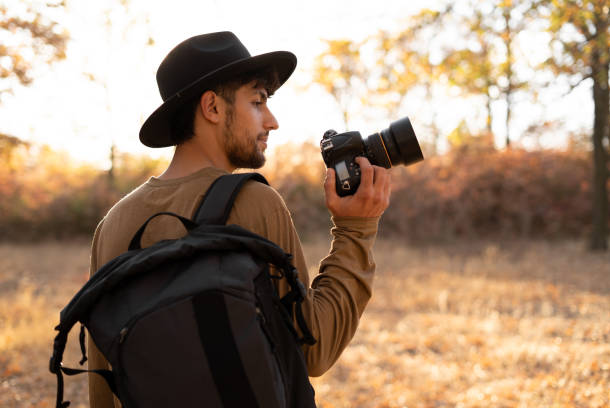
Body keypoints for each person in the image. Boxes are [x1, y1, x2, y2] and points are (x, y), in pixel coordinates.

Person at [87, 31, 391, 407]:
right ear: (213, 108)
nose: (273, 120)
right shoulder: (254, 202)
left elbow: (103, 380)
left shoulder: (113, 224)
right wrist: (355, 230)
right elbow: (315, 349)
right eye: (258, 101)